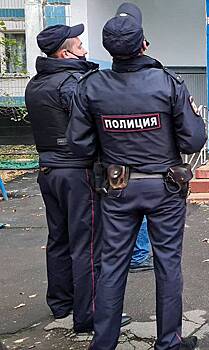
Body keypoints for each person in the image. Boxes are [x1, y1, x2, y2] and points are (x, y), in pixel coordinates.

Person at [67, 3, 207, 349]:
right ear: (144, 43)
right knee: (167, 264)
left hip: (116, 189)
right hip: (165, 188)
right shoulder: (168, 82)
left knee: (111, 266)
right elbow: (194, 138)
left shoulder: (90, 87)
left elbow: (79, 145)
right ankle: (168, 343)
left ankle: (104, 343)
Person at [25, 23, 100, 333]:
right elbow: (89, 123)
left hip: (48, 169)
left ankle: (60, 305)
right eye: (80, 45)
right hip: (76, 171)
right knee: (87, 244)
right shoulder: (72, 83)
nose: (85, 49)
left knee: (58, 238)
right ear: (65, 52)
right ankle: (89, 316)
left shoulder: (35, 84)